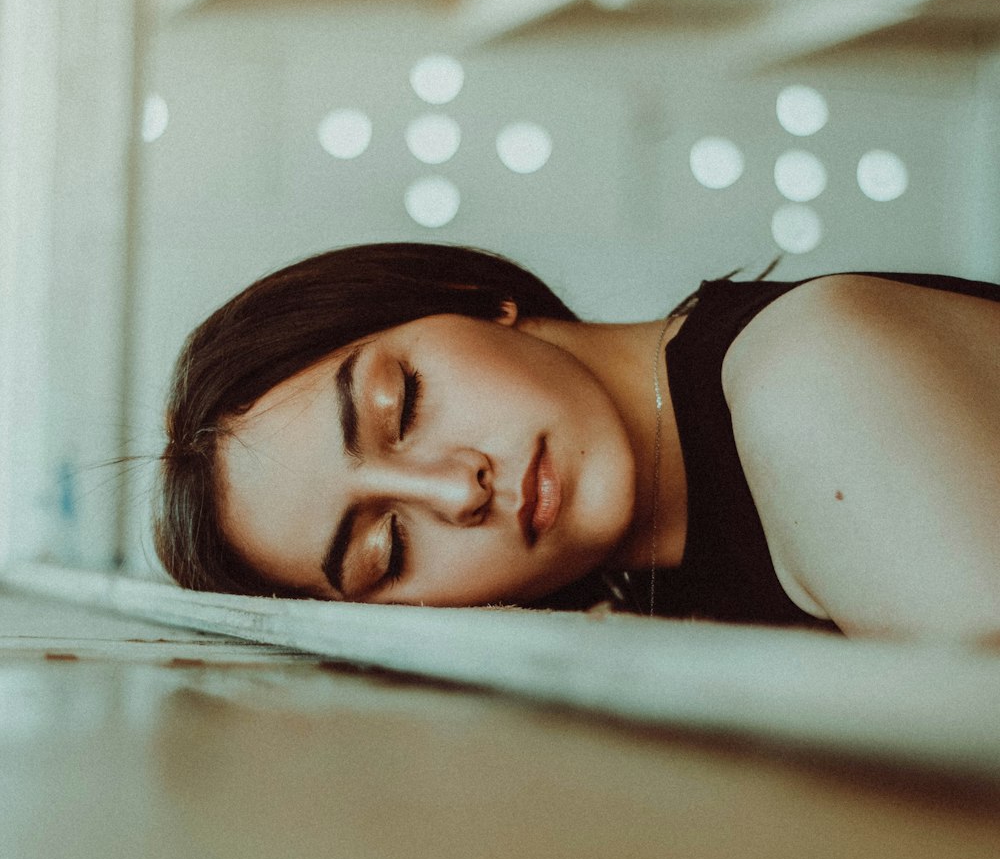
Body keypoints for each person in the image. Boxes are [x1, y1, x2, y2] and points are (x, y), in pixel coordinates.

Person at [155, 241, 1000, 640]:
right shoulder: (651, 596)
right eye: (385, 552)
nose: (457, 492)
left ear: (473, 296)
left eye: (403, 404)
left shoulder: (810, 380)